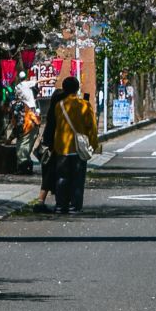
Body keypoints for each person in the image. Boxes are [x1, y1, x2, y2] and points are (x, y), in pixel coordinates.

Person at [49, 75, 99, 213]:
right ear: (77, 89)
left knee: (61, 177)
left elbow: (56, 125)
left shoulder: (59, 106)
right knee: (77, 178)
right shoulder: (84, 105)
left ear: (64, 89)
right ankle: (75, 205)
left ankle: (60, 205)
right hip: (78, 148)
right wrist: (93, 144)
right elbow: (92, 127)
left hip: (62, 146)